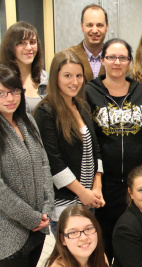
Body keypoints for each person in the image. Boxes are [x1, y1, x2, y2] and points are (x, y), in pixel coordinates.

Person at [86, 38, 142, 262]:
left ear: (130, 62)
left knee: (136, 240)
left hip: (137, 184)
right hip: (104, 183)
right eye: (111, 57)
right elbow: (88, 139)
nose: (117, 62)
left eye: (122, 58)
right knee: (104, 241)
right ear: (102, 61)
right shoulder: (89, 92)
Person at [0, 65, 53, 267]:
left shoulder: (27, 121)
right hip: (9, 229)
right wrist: (31, 216)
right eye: (2, 93)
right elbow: (0, 191)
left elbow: (44, 164)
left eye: (14, 91)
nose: (9, 98)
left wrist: (46, 206)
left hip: (37, 225)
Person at [34, 50, 104, 236]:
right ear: (55, 77)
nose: (74, 82)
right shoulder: (45, 111)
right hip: (65, 204)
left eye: (79, 76)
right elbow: (53, 162)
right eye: (67, 76)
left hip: (89, 199)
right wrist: (82, 192)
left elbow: (95, 149)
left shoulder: (81, 105)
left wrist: (97, 187)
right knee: (71, 261)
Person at [0, 21, 48, 115]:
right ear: (10, 47)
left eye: (32, 42)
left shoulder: (45, 77)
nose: (29, 47)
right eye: (21, 43)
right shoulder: (3, 80)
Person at [69, 4, 108, 82]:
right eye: (89, 25)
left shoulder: (116, 59)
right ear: (82, 26)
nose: (94, 30)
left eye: (99, 25)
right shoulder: (68, 56)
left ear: (107, 27)